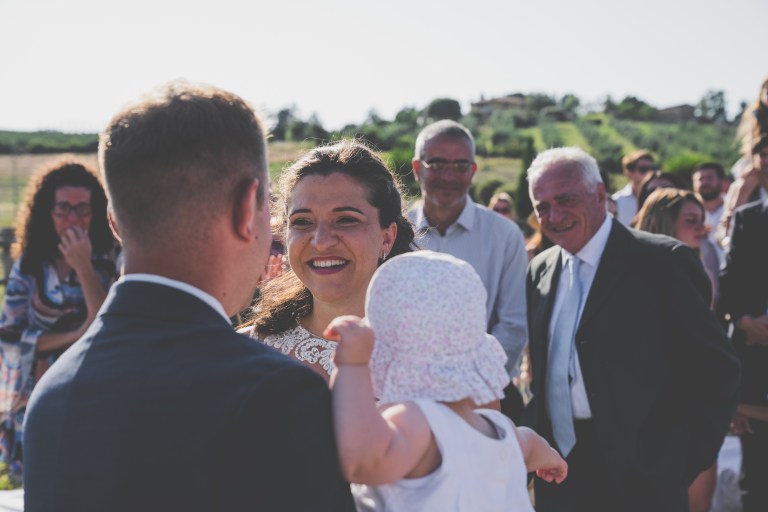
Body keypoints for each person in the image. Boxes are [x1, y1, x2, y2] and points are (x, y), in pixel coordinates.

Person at [23, 82, 355, 511]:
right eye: (269, 206)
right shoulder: (280, 396)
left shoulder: (52, 395)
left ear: (114, 222)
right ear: (246, 207)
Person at [523, 146, 740, 511]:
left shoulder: (662, 262)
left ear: (600, 195)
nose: (554, 215)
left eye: (565, 199)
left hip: (644, 479)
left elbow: (718, 370)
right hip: (558, 475)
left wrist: (678, 463)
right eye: (541, 206)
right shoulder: (540, 270)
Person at [326, 250, 567, 511]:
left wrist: (352, 365)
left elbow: (361, 462)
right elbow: (530, 444)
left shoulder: (416, 421)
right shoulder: (501, 428)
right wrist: (551, 457)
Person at [245, 139, 415, 383]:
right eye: (303, 222)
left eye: (346, 219)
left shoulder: (436, 361)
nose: (322, 242)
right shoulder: (249, 353)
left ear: (387, 238)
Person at [0, 157, 117, 480]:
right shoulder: (31, 266)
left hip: (94, 393)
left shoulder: (113, 259)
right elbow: (8, 338)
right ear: (47, 212)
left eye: (83, 209)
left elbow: (110, 327)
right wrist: (78, 334)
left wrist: (83, 267)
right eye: (63, 208)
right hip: (37, 395)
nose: (73, 219)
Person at [408, 120, 528, 418]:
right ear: (417, 168)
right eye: (437, 164)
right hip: (407, 399)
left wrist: (466, 385)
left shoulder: (505, 236)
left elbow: (512, 325)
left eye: (460, 165)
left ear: (473, 171)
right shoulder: (395, 231)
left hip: (483, 399)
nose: (448, 176)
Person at [633, 187, 720, 511]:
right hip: (645, 413)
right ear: (663, 223)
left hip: (692, 406)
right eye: (691, 221)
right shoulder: (630, 274)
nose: (702, 227)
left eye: (703, 220)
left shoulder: (701, 269)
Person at [718, 196, 768, 511]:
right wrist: (743, 320)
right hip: (755, 355)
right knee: (757, 473)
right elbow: (729, 283)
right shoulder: (748, 217)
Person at [692, 162, 727, 266]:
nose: (704, 183)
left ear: (721, 182)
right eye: (700, 179)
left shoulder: (733, 207)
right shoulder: (686, 212)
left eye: (709, 178)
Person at [611, 149, 658, 225]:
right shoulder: (617, 201)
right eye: (643, 169)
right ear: (630, 173)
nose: (649, 173)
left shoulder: (657, 198)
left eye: (652, 169)